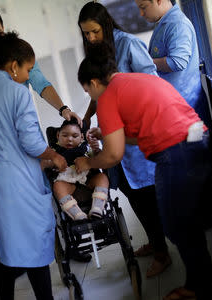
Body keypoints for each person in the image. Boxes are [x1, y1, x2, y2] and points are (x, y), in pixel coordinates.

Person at [75, 44, 212, 300]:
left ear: (95, 82)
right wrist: (110, 134)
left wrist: (87, 163)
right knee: (185, 223)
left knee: (176, 224)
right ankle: (200, 286)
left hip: (177, 152)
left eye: (88, 91)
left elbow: (112, 155)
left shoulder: (107, 97)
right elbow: (142, 135)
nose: (91, 97)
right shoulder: (135, 80)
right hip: (198, 141)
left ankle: (200, 290)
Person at [0, 31, 67, 300]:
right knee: (33, 245)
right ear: (14, 66)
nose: (30, 75)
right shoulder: (18, 94)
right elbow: (31, 143)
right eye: (29, 69)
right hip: (17, 182)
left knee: (1, 250)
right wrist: (53, 155)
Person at [78, 1, 171, 278]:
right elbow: (98, 92)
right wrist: (85, 119)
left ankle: (163, 253)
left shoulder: (128, 44)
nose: (91, 38)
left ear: (106, 23)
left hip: (134, 131)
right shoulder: (95, 54)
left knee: (146, 193)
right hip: (114, 130)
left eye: (94, 31)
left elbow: (149, 83)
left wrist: (89, 160)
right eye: (85, 34)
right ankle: (156, 244)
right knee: (131, 192)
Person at [135, 0, 212, 229]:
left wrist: (145, 63)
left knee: (196, 164)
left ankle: (204, 221)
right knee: (192, 164)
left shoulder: (177, 24)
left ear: (159, 0)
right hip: (179, 109)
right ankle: (201, 220)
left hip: (187, 108)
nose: (141, 13)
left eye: (143, 6)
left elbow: (178, 61)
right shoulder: (165, 23)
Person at [0, 7, 81, 122]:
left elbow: (41, 84)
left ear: (3, 29)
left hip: (23, 125)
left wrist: (63, 109)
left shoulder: (19, 54)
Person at [43, 119, 109, 220]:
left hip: (88, 184)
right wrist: (51, 162)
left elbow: (100, 162)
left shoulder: (87, 148)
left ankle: (97, 209)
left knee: (102, 177)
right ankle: (78, 215)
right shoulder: (54, 152)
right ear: (57, 136)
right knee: (58, 186)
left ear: (82, 137)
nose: (69, 139)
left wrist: (96, 151)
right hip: (69, 188)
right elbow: (45, 164)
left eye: (75, 136)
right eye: (65, 136)